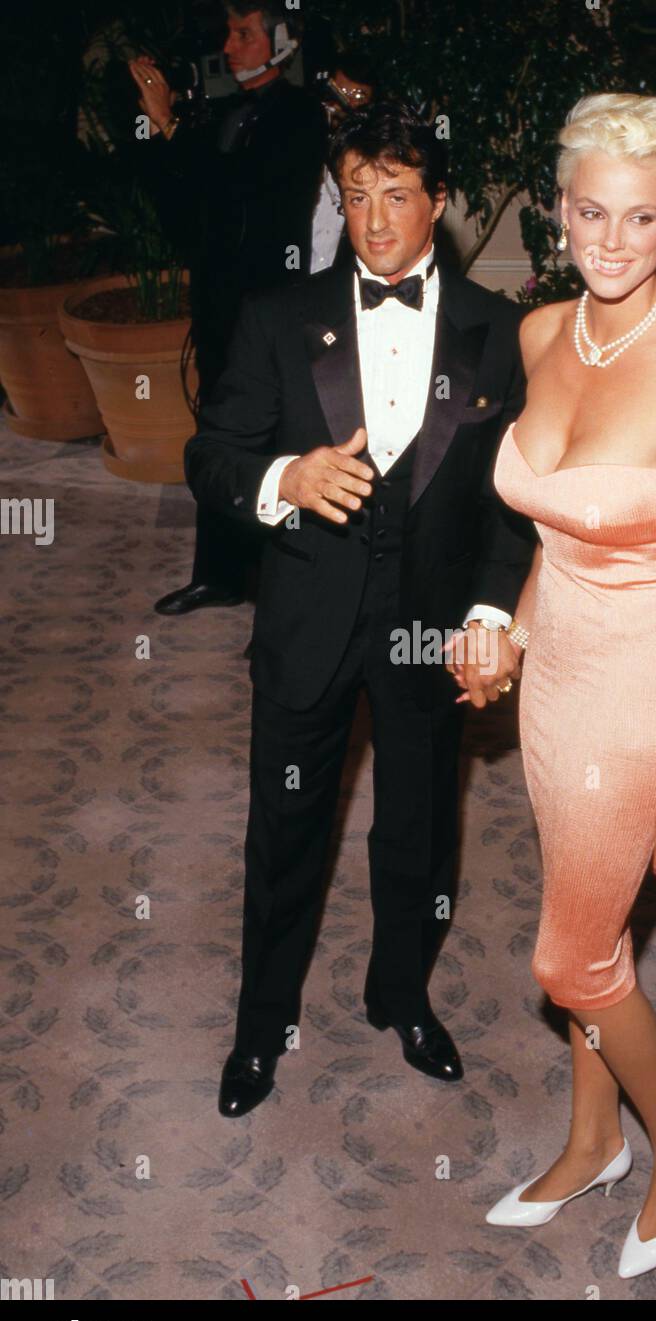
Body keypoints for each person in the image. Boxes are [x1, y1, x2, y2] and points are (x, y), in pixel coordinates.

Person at [183, 100, 535, 1117]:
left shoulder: (495, 333)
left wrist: (489, 610)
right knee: (285, 829)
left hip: (427, 623)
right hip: (307, 619)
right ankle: (261, 1026)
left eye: (396, 196)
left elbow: (507, 503)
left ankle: (401, 993)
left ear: (439, 203)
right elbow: (208, 454)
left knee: (418, 832)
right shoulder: (275, 318)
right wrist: (282, 479)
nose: (374, 221)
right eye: (356, 196)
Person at [475, 93, 656, 1279]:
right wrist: (510, 630)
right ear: (557, 209)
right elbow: (548, 536)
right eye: (588, 211)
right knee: (590, 929)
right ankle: (592, 1139)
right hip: (556, 680)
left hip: (646, 678)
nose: (607, 240)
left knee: (565, 961)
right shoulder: (542, 333)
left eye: (637, 219)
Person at [128, 2, 328, 616]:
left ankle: (278, 596)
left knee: (271, 437)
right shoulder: (219, 114)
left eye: (244, 33)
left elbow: (239, 198)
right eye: (231, 33)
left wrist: (170, 128)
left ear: (281, 42)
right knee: (217, 433)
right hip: (219, 303)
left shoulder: (297, 116)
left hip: (270, 306)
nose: (231, 44)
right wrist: (163, 134)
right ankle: (217, 573)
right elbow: (186, 217)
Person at [309, 51, 378, 275]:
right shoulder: (303, 152)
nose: (345, 102)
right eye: (340, 92)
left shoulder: (376, 167)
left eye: (358, 95)